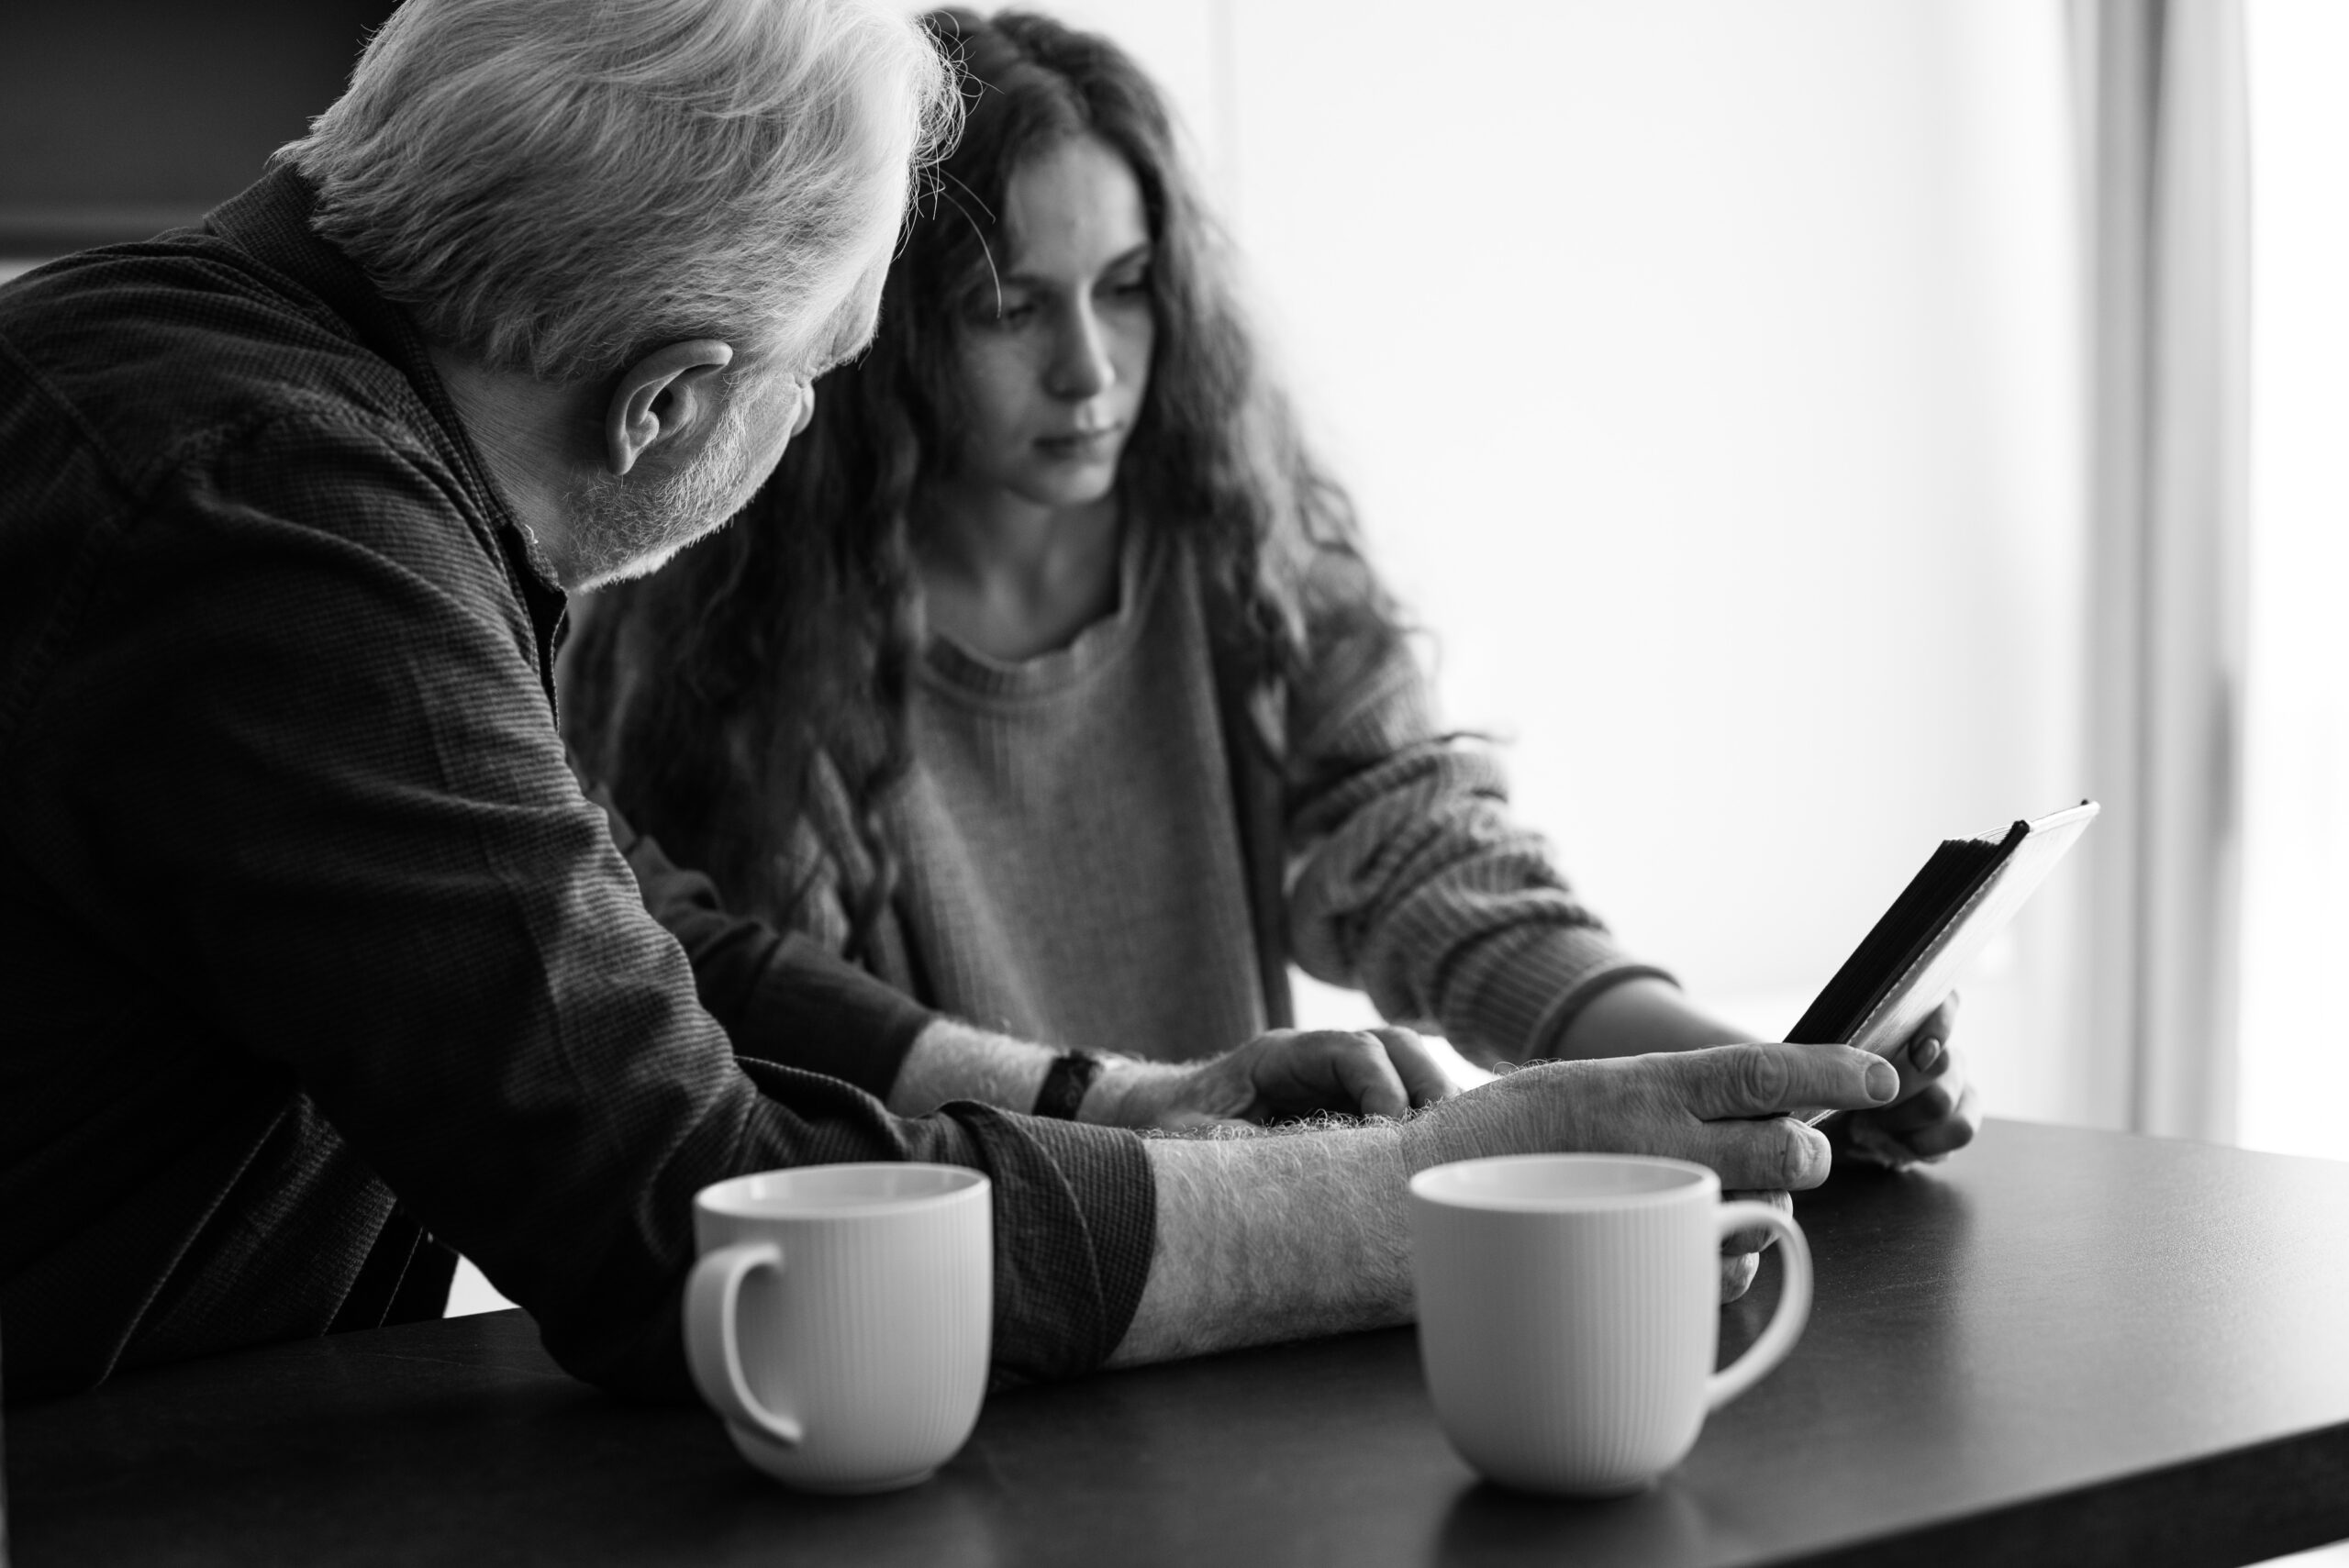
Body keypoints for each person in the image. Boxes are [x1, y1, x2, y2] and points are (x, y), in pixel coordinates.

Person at [0, 0, 1912, 1407]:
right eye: (818, 371)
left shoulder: (212, 399)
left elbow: (619, 921)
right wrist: (1437, 1191)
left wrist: (1118, 1104)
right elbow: (726, 1234)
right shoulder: (273, 526)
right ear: (669, 400)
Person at [563, 9, 1979, 1165]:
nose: (1091, 369)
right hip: (963, 1302)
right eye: (1012, 308)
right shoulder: (734, 632)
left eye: (1125, 286)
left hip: (1251, 1273)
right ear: (877, 334)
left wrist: (1762, 1073)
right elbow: (768, 1052)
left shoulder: (1244, 555)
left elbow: (1442, 877)